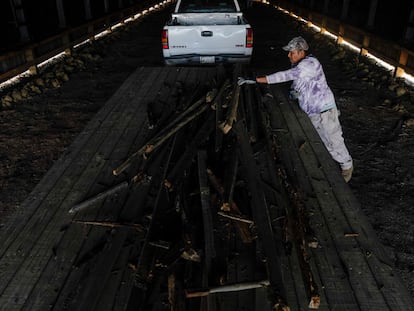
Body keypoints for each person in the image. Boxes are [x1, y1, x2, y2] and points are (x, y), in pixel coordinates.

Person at [256, 36, 353, 182]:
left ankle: (347, 167)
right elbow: (298, 82)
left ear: (301, 52)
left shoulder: (310, 64)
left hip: (324, 110)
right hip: (314, 111)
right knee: (321, 138)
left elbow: (285, 76)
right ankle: (331, 163)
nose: (289, 55)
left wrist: (259, 80)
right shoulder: (298, 65)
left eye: (292, 52)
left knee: (334, 139)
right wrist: (295, 92)